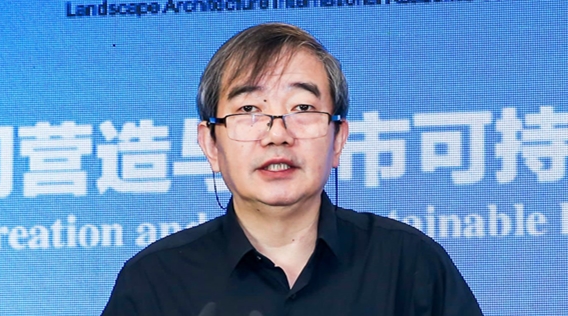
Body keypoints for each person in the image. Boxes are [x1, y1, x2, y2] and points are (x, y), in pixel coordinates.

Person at [101, 23, 483, 316]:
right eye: (249, 110)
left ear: (338, 139)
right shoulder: (156, 282)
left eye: (302, 108)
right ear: (210, 144)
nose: (277, 134)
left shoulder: (408, 265)